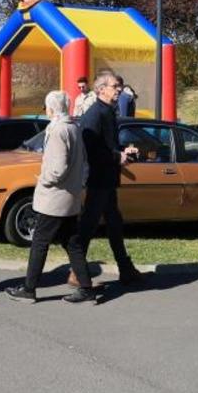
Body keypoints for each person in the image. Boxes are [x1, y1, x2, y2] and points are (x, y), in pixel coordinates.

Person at [5, 90, 91, 303]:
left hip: (54, 198)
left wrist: (43, 179)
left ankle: (29, 289)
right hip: (70, 196)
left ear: (51, 109)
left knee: (40, 243)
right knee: (72, 243)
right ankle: (86, 288)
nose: (46, 111)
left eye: (46, 108)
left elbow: (57, 168)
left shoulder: (58, 130)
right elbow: (82, 162)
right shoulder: (73, 127)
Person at [69, 70, 140, 294]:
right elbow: (91, 149)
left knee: (114, 224)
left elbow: (107, 146)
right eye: (114, 86)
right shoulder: (94, 114)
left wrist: (123, 151)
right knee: (88, 225)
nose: (119, 90)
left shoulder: (108, 111)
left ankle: (126, 270)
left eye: (119, 86)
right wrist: (116, 157)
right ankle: (77, 272)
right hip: (98, 178)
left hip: (107, 178)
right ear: (101, 89)